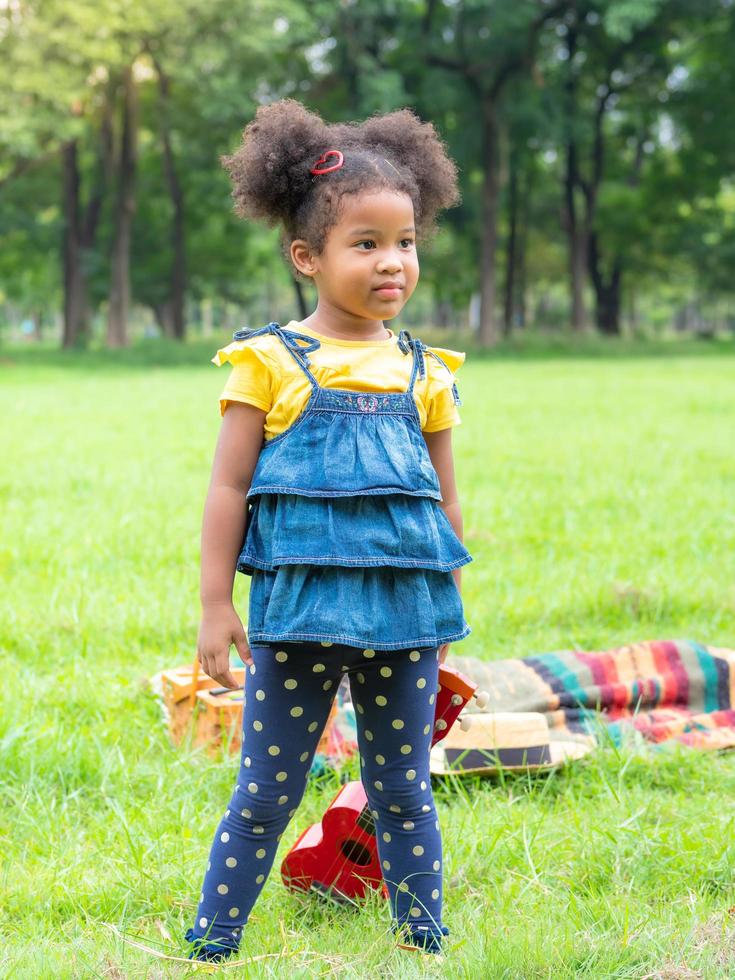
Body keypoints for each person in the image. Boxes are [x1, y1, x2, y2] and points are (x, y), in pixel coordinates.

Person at [184, 98, 473, 962]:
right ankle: (212, 941)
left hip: (404, 616)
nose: (392, 262)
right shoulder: (269, 362)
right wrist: (212, 604)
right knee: (265, 790)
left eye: (406, 241)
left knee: (404, 789)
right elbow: (228, 486)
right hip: (299, 612)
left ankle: (426, 940)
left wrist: (446, 603)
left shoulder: (425, 369)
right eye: (366, 243)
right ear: (307, 257)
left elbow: (444, 504)